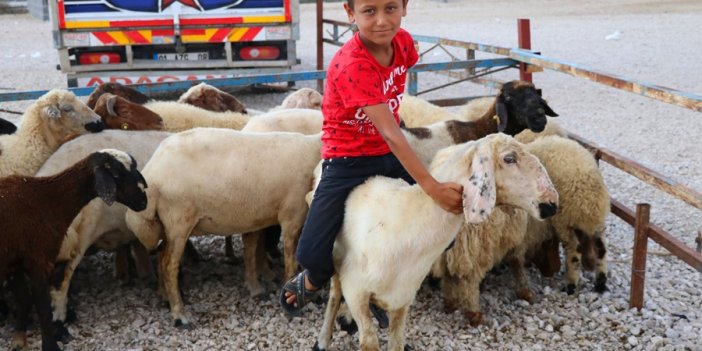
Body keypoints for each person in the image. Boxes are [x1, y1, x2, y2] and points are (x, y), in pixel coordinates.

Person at [279, 0, 463, 318]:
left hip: (387, 151)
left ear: (405, 6)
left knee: (438, 226)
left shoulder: (403, 44)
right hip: (346, 158)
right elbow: (394, 133)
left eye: (390, 8)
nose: (381, 21)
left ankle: (386, 285)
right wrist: (432, 187)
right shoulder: (352, 64)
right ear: (350, 13)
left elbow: (392, 121)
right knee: (310, 251)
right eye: (369, 11)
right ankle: (316, 277)